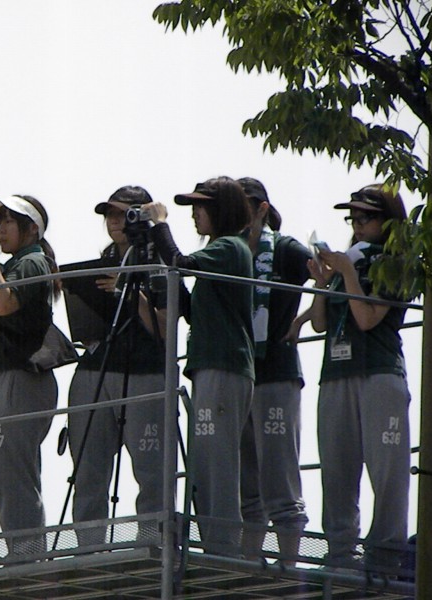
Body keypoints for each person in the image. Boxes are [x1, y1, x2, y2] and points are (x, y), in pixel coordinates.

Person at [147, 176, 254, 556]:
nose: (194, 214)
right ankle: (215, 545)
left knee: (218, 462)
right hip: (211, 365)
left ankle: (224, 548)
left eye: (201, 207)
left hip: (224, 366)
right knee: (205, 464)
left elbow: (181, 262)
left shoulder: (230, 247)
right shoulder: (219, 251)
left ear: (220, 210)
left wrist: (160, 225)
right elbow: (194, 311)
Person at [307, 184, 411, 572]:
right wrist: (323, 281)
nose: (357, 225)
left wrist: (348, 272)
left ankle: (385, 557)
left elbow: (367, 319)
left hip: (379, 371)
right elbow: (320, 323)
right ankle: (340, 554)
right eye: (353, 218)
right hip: (336, 372)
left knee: (387, 471)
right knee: (336, 469)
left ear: (389, 221)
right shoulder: (348, 261)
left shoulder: (394, 263)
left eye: (366, 217)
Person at [66, 185, 178, 545]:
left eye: (122, 213)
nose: (114, 221)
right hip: (96, 368)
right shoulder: (102, 261)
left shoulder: (160, 262)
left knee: (151, 469)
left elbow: (165, 328)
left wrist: (129, 292)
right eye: (110, 215)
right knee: (88, 469)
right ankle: (88, 552)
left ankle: (154, 545)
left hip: (145, 372)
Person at [0, 194, 61, 554]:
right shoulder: (13, 265)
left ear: (32, 229)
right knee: (5, 473)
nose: (0, 229)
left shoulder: (32, 262)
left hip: (20, 377)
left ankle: (27, 556)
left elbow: (4, 304)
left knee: (12, 473)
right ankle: (23, 552)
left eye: (10, 221)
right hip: (7, 376)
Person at [236, 177, 311, 565]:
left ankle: (289, 565)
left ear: (262, 208)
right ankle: (251, 563)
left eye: (243, 205)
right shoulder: (228, 251)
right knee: (245, 482)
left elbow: (326, 274)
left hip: (277, 372)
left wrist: (304, 318)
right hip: (239, 373)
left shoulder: (285, 248)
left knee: (280, 475)